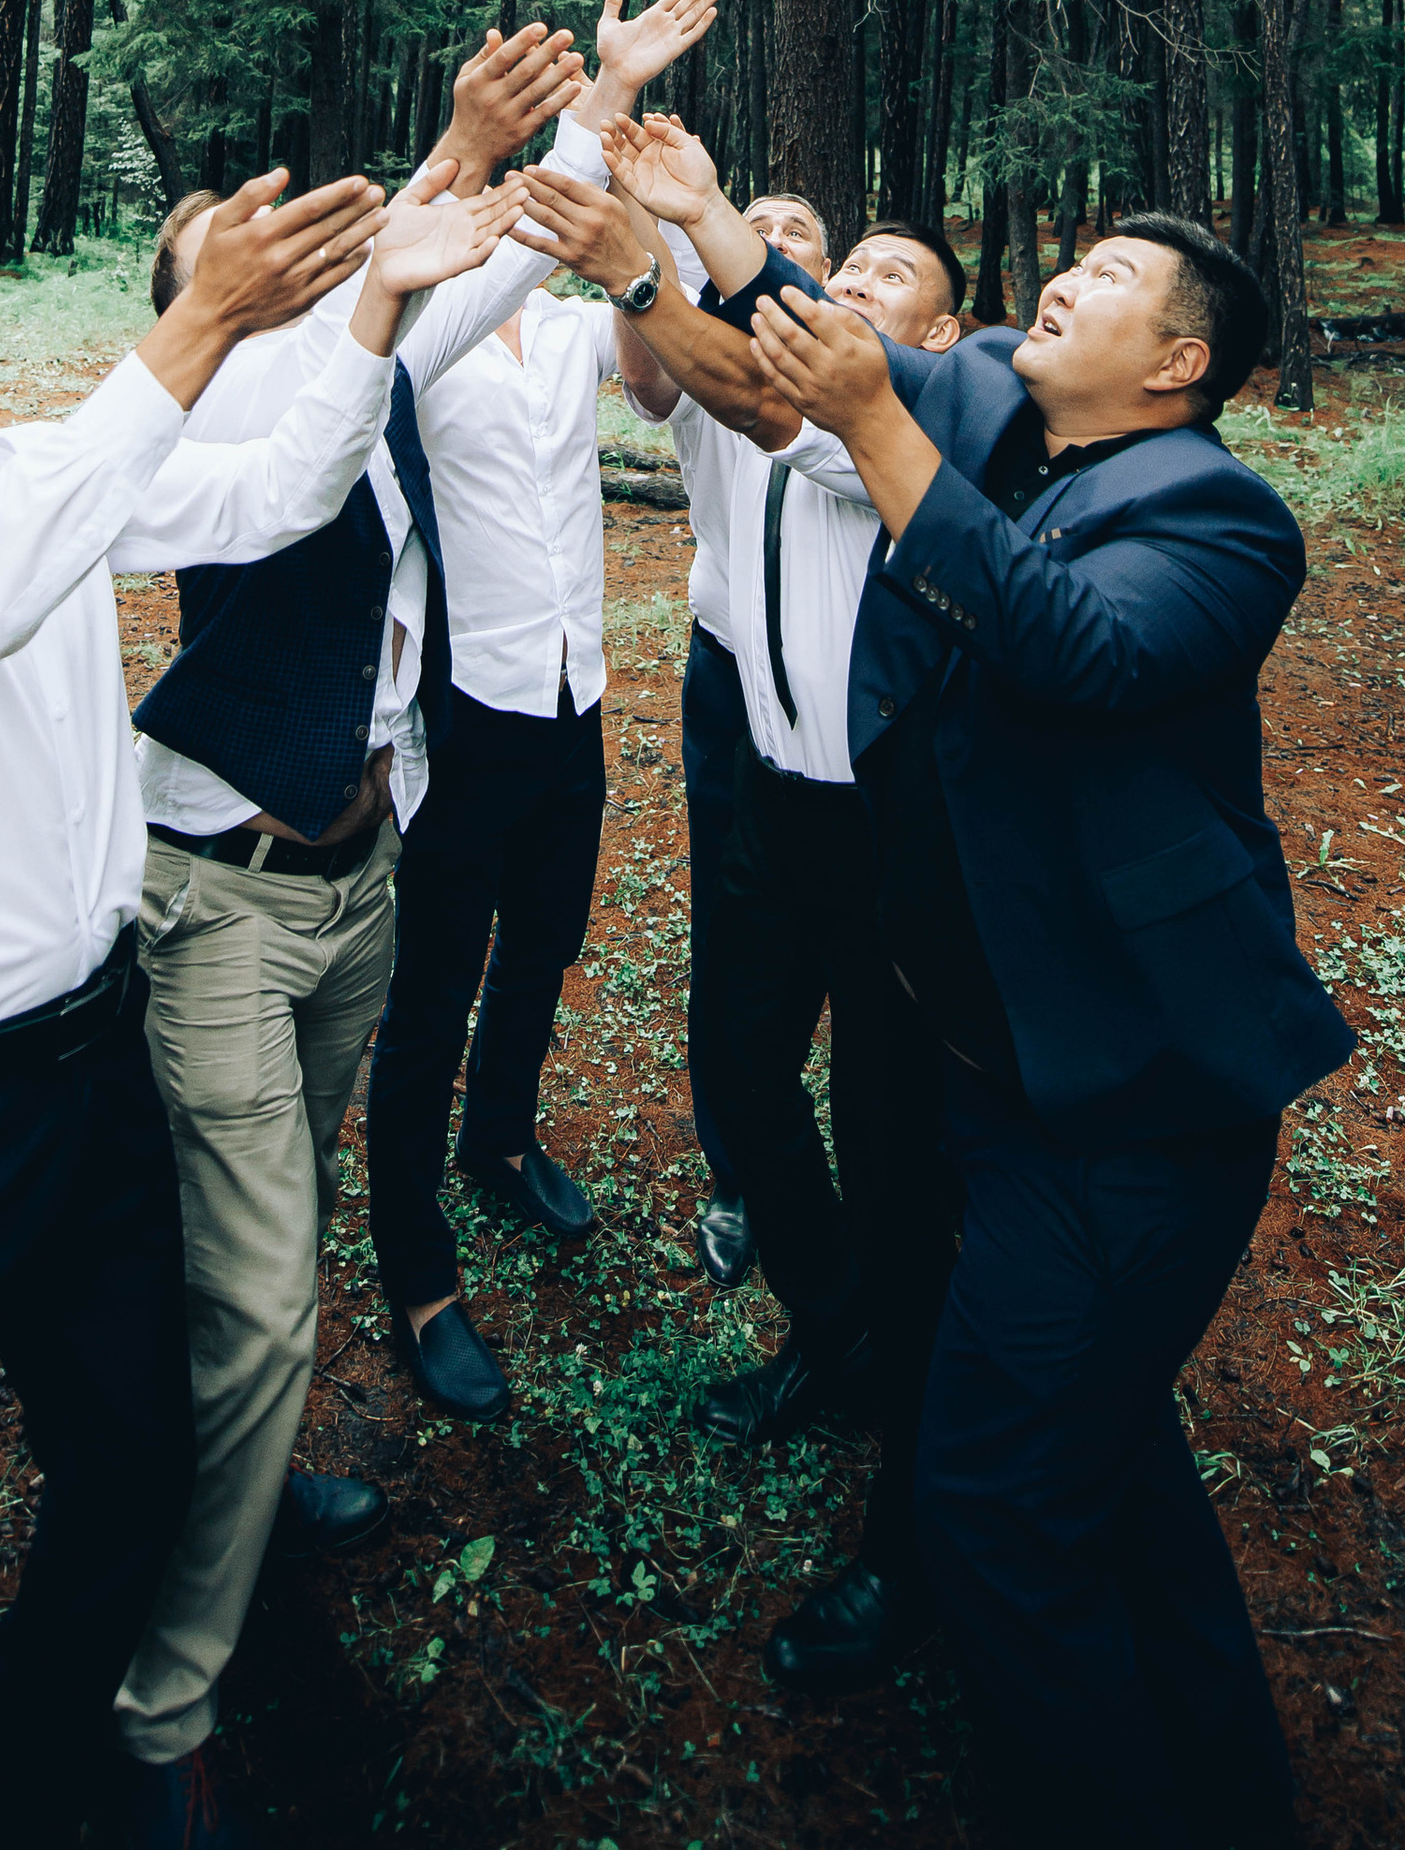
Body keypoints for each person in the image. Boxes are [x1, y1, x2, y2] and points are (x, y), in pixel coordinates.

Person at [0, 158, 519, 1850]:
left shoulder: (28, 466)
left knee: (137, 1464)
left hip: (92, 1077)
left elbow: (278, 494)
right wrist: (207, 315)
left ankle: (46, 1788)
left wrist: (372, 301)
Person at [103, 0, 706, 1840]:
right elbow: (326, 378)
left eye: (308, 237)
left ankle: (239, 1452)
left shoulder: (367, 371)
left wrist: (594, 115)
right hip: (222, 892)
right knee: (262, 1287)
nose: (303, 257)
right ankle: (163, 1698)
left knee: (254, 1233)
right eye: (246, 250)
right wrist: (451, 153)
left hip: (363, 871)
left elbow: (481, 280)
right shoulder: (221, 421)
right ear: (189, 308)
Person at [705, 207, 1351, 1849]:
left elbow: (1071, 644)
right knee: (1109, 1453)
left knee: (993, 1508)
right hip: (998, 1073)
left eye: (1116, 282)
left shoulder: (1222, 519)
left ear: (1180, 365)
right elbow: (840, 342)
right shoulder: (1002, 405)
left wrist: (869, 422)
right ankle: (1226, 1784)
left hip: (1133, 1105)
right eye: (1073, 263)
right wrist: (691, 215)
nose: (1065, 278)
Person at [517, 150, 973, 1694]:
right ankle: (837, 1332)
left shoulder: (898, 419)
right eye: (815, 260)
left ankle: (915, 1525)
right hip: (763, 788)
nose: (839, 282)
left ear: (945, 335)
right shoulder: (733, 387)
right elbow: (705, 379)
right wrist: (652, 230)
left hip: (890, 829)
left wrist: (674, 245)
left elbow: (796, 406)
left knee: (904, 1160)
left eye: (880, 273)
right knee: (737, 1075)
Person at [364, 0, 726, 1421]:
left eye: (531, 196)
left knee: (546, 941)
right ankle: (415, 1266)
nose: (517, 212)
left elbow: (650, 383)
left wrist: (637, 248)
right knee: (429, 988)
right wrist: (599, 98)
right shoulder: (408, 334)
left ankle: (500, 1143)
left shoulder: (567, 330)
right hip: (463, 699)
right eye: (495, 195)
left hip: (574, 690)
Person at [671, 185, 835, 1293]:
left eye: (799, 234)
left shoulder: (871, 385)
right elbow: (647, 372)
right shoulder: (698, 351)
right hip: (728, 680)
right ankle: (739, 1174)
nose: (773, 242)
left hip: (851, 710)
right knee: (731, 927)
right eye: (755, 224)